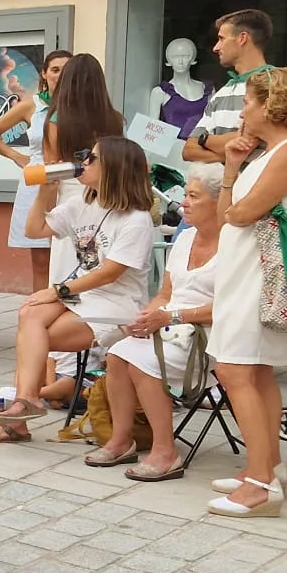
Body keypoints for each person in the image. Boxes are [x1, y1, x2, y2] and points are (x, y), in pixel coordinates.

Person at [0, 136, 159, 444]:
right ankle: (26, 403)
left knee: (32, 336)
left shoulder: (136, 220)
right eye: (84, 155)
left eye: (92, 158)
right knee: (29, 314)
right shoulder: (83, 204)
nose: (83, 162)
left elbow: (110, 272)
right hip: (82, 295)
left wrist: (58, 291)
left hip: (115, 303)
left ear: (114, 168)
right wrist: (44, 194)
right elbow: (34, 230)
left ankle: (20, 413)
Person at [207, 67, 287, 518]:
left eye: (249, 102)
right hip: (247, 274)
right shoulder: (271, 152)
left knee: (236, 371)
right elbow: (226, 214)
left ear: (272, 104)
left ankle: (259, 483)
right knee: (254, 373)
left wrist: (235, 191)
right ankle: (267, 466)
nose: (244, 112)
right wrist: (233, 167)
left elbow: (242, 214)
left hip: (262, 278)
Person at [93, 164, 224, 481]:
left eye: (194, 196)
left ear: (220, 203)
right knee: (118, 353)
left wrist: (169, 316)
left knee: (143, 361)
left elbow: (230, 306)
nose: (184, 203)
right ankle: (122, 440)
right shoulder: (184, 239)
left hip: (209, 334)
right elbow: (165, 293)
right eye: (186, 195)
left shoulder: (235, 245)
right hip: (170, 326)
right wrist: (145, 318)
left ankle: (166, 451)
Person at [0, 50, 73, 282]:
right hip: (37, 184)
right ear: (44, 73)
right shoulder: (30, 105)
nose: (60, 75)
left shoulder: (80, 106)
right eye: (55, 69)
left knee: (71, 255)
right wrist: (15, 156)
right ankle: (39, 313)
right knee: (42, 261)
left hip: (72, 183)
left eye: (66, 69)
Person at [184, 9, 275, 164]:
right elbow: (188, 151)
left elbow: (246, 143)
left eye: (221, 39)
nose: (215, 48)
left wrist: (204, 139)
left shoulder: (275, 85)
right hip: (223, 187)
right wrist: (229, 153)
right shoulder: (221, 93)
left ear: (242, 38)